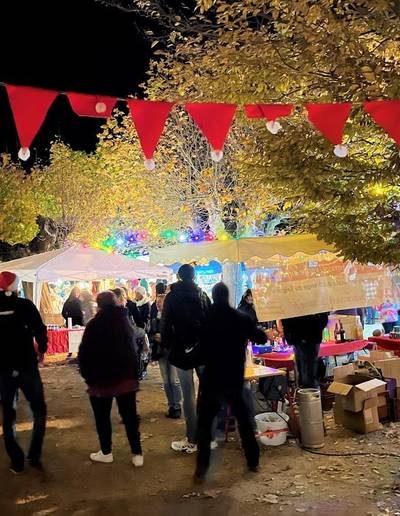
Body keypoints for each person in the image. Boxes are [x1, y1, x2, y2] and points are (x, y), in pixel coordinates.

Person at [195, 282, 267, 481]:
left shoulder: (206, 318)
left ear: (213, 295)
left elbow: (198, 346)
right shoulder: (240, 318)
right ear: (227, 296)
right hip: (234, 376)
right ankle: (253, 462)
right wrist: (259, 333)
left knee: (204, 423)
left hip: (211, 377)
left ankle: (201, 468)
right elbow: (259, 337)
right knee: (244, 421)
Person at [78, 291, 143, 467]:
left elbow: (84, 354)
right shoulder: (125, 322)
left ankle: (106, 452)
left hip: (100, 381)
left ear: (98, 306)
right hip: (125, 380)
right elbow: (133, 351)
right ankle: (137, 453)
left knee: (102, 418)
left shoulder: (94, 325)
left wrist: (87, 376)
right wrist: (134, 374)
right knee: (129, 417)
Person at [0, 271, 48, 473]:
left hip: (3, 369)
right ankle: (34, 455)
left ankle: (17, 461)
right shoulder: (25, 305)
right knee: (39, 410)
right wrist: (42, 348)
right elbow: (40, 328)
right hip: (27, 365)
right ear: (15, 286)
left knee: (8, 415)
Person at [161, 263, 211, 453]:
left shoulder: (172, 297)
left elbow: (165, 325)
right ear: (194, 276)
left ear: (179, 277)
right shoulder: (202, 295)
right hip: (204, 349)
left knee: (188, 395)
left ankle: (192, 439)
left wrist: (167, 345)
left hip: (182, 350)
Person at [149, 293, 182, 419]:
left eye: (160, 302)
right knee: (167, 381)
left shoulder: (173, 317)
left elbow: (177, 333)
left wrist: (165, 336)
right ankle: (171, 405)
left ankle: (177, 406)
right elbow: (150, 333)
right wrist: (155, 337)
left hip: (172, 350)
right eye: (157, 302)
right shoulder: (155, 317)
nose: (158, 304)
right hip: (161, 351)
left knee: (174, 381)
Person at [280, 312, 329, 389]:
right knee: (305, 373)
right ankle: (309, 395)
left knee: (308, 375)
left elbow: (323, 317)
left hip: (308, 337)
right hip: (302, 337)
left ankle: (311, 396)